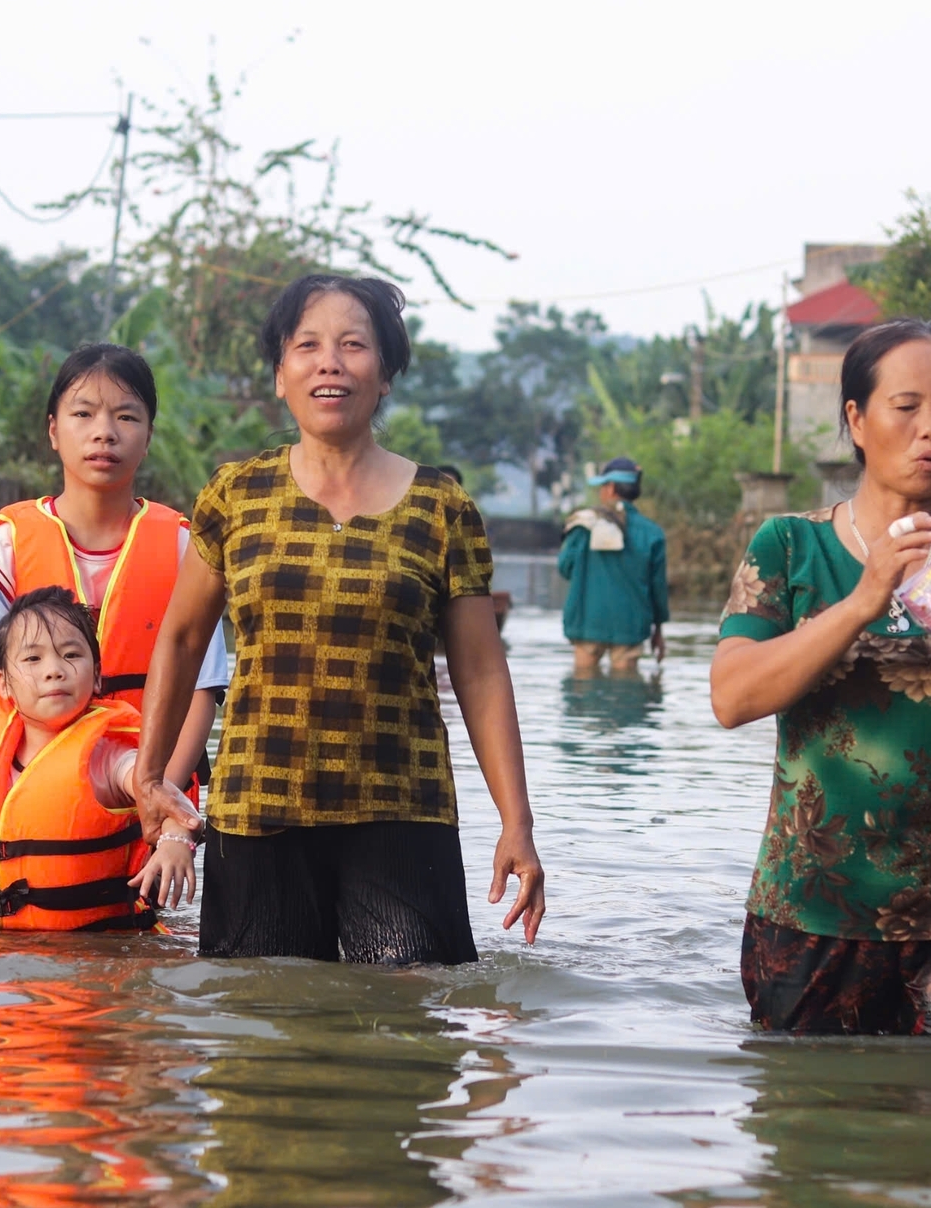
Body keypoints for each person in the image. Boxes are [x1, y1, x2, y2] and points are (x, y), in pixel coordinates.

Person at [130, 273, 546, 964]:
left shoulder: (441, 508)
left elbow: (479, 671)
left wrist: (517, 824)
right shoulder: (235, 495)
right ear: (280, 376)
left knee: (408, 1038)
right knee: (258, 1030)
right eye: (308, 346)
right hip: (259, 807)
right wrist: (149, 776)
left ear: (384, 375)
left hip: (402, 809)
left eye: (354, 345)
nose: (330, 361)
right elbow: (179, 637)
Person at [709, 317, 931, 1036]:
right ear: (857, 420)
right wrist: (864, 599)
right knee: (815, 1129)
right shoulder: (790, 546)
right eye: (906, 407)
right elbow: (732, 697)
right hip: (809, 911)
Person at [0, 344, 230, 825]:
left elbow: (200, 696)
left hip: (147, 796)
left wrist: (160, 799)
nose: (104, 433)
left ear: (149, 435)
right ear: (53, 430)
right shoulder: (4, 550)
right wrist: (18, 799)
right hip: (25, 796)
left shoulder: (185, 551)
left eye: (126, 417)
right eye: (83, 413)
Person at [0, 587, 197, 931]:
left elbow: (168, 801)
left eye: (70, 655)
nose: (54, 670)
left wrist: (174, 841)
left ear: (96, 675)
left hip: (89, 954)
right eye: (33, 659)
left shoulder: (109, 757)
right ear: (3, 684)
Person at [558, 457, 669, 675]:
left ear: (610, 488)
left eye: (602, 486)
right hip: (630, 625)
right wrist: (658, 630)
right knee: (625, 695)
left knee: (582, 686)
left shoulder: (583, 526)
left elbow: (564, 567)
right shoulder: (652, 533)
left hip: (586, 621)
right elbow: (658, 589)